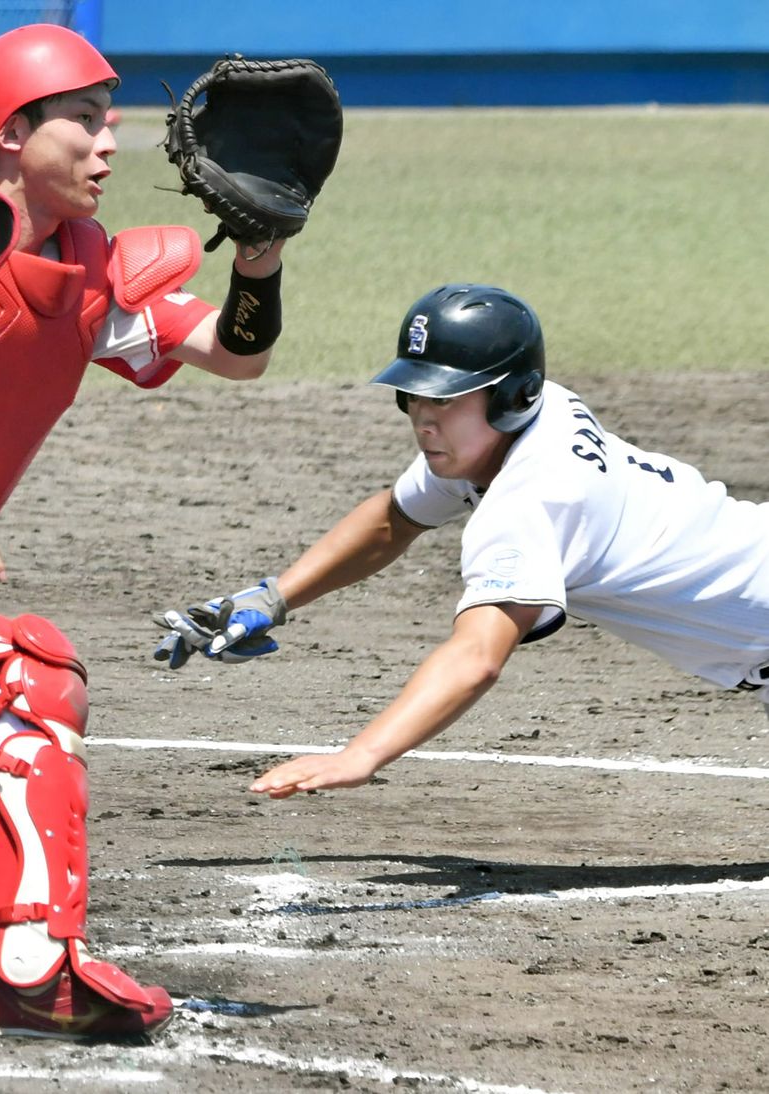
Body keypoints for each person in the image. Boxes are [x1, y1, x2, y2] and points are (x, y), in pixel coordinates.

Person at [0, 23, 292, 1040]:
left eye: (112, 124)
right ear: (12, 134)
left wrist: (262, 259)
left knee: (25, 682)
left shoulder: (88, 272)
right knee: (22, 672)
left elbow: (234, 353)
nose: (111, 146)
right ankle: (36, 973)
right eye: (87, 122)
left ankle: (35, 967)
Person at [157, 282, 769, 801]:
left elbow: (477, 657)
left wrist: (360, 756)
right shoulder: (523, 425)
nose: (423, 418)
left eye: (445, 399)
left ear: (512, 396)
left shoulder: (533, 499)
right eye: (414, 395)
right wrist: (275, 597)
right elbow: (395, 518)